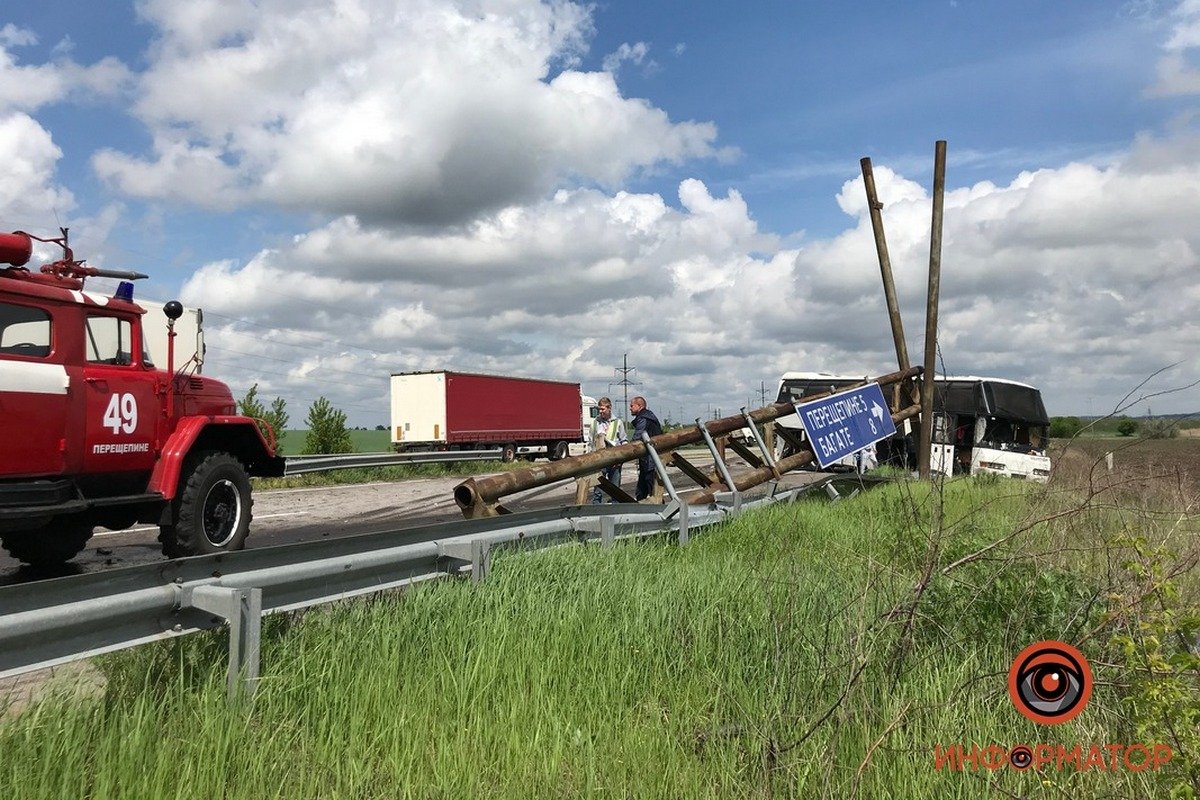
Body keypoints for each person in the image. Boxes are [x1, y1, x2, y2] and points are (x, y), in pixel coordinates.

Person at [589, 397, 626, 504]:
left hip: (614, 461)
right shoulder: (595, 422)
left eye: (602, 409)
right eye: (599, 409)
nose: (600, 412)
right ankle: (596, 511)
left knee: (615, 489)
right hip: (599, 460)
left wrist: (621, 459)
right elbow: (590, 442)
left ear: (609, 408)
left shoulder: (618, 422)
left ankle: (616, 512)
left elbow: (624, 441)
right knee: (597, 489)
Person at [629, 395, 663, 501]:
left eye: (631, 406)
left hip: (650, 459)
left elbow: (637, 437)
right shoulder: (649, 417)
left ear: (639, 406)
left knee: (650, 486)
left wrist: (627, 450)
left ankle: (660, 509)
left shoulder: (643, 418)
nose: (630, 408)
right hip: (649, 458)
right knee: (642, 488)